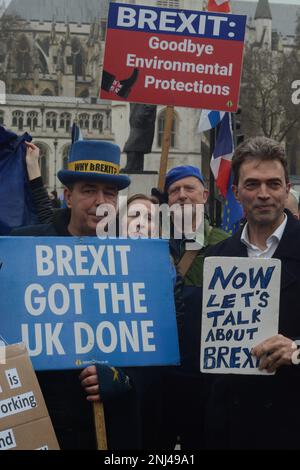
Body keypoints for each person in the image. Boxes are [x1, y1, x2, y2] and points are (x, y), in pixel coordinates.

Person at [12, 140, 131, 450]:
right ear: (68, 196)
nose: (100, 202)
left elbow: (149, 343)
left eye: (110, 193)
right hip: (42, 418)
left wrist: (121, 377)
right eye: (89, 190)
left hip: (108, 426)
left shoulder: (133, 257)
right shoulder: (25, 247)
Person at [204, 136, 300, 449]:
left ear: (287, 189)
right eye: (252, 184)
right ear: (236, 192)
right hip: (230, 429)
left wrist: (296, 351)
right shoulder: (215, 257)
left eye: (273, 184)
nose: (263, 194)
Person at [158, 166, 229, 449]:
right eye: (174, 191)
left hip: (206, 381)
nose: (182, 196)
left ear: (205, 194)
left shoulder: (227, 244)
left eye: (189, 189)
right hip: (162, 378)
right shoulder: (151, 243)